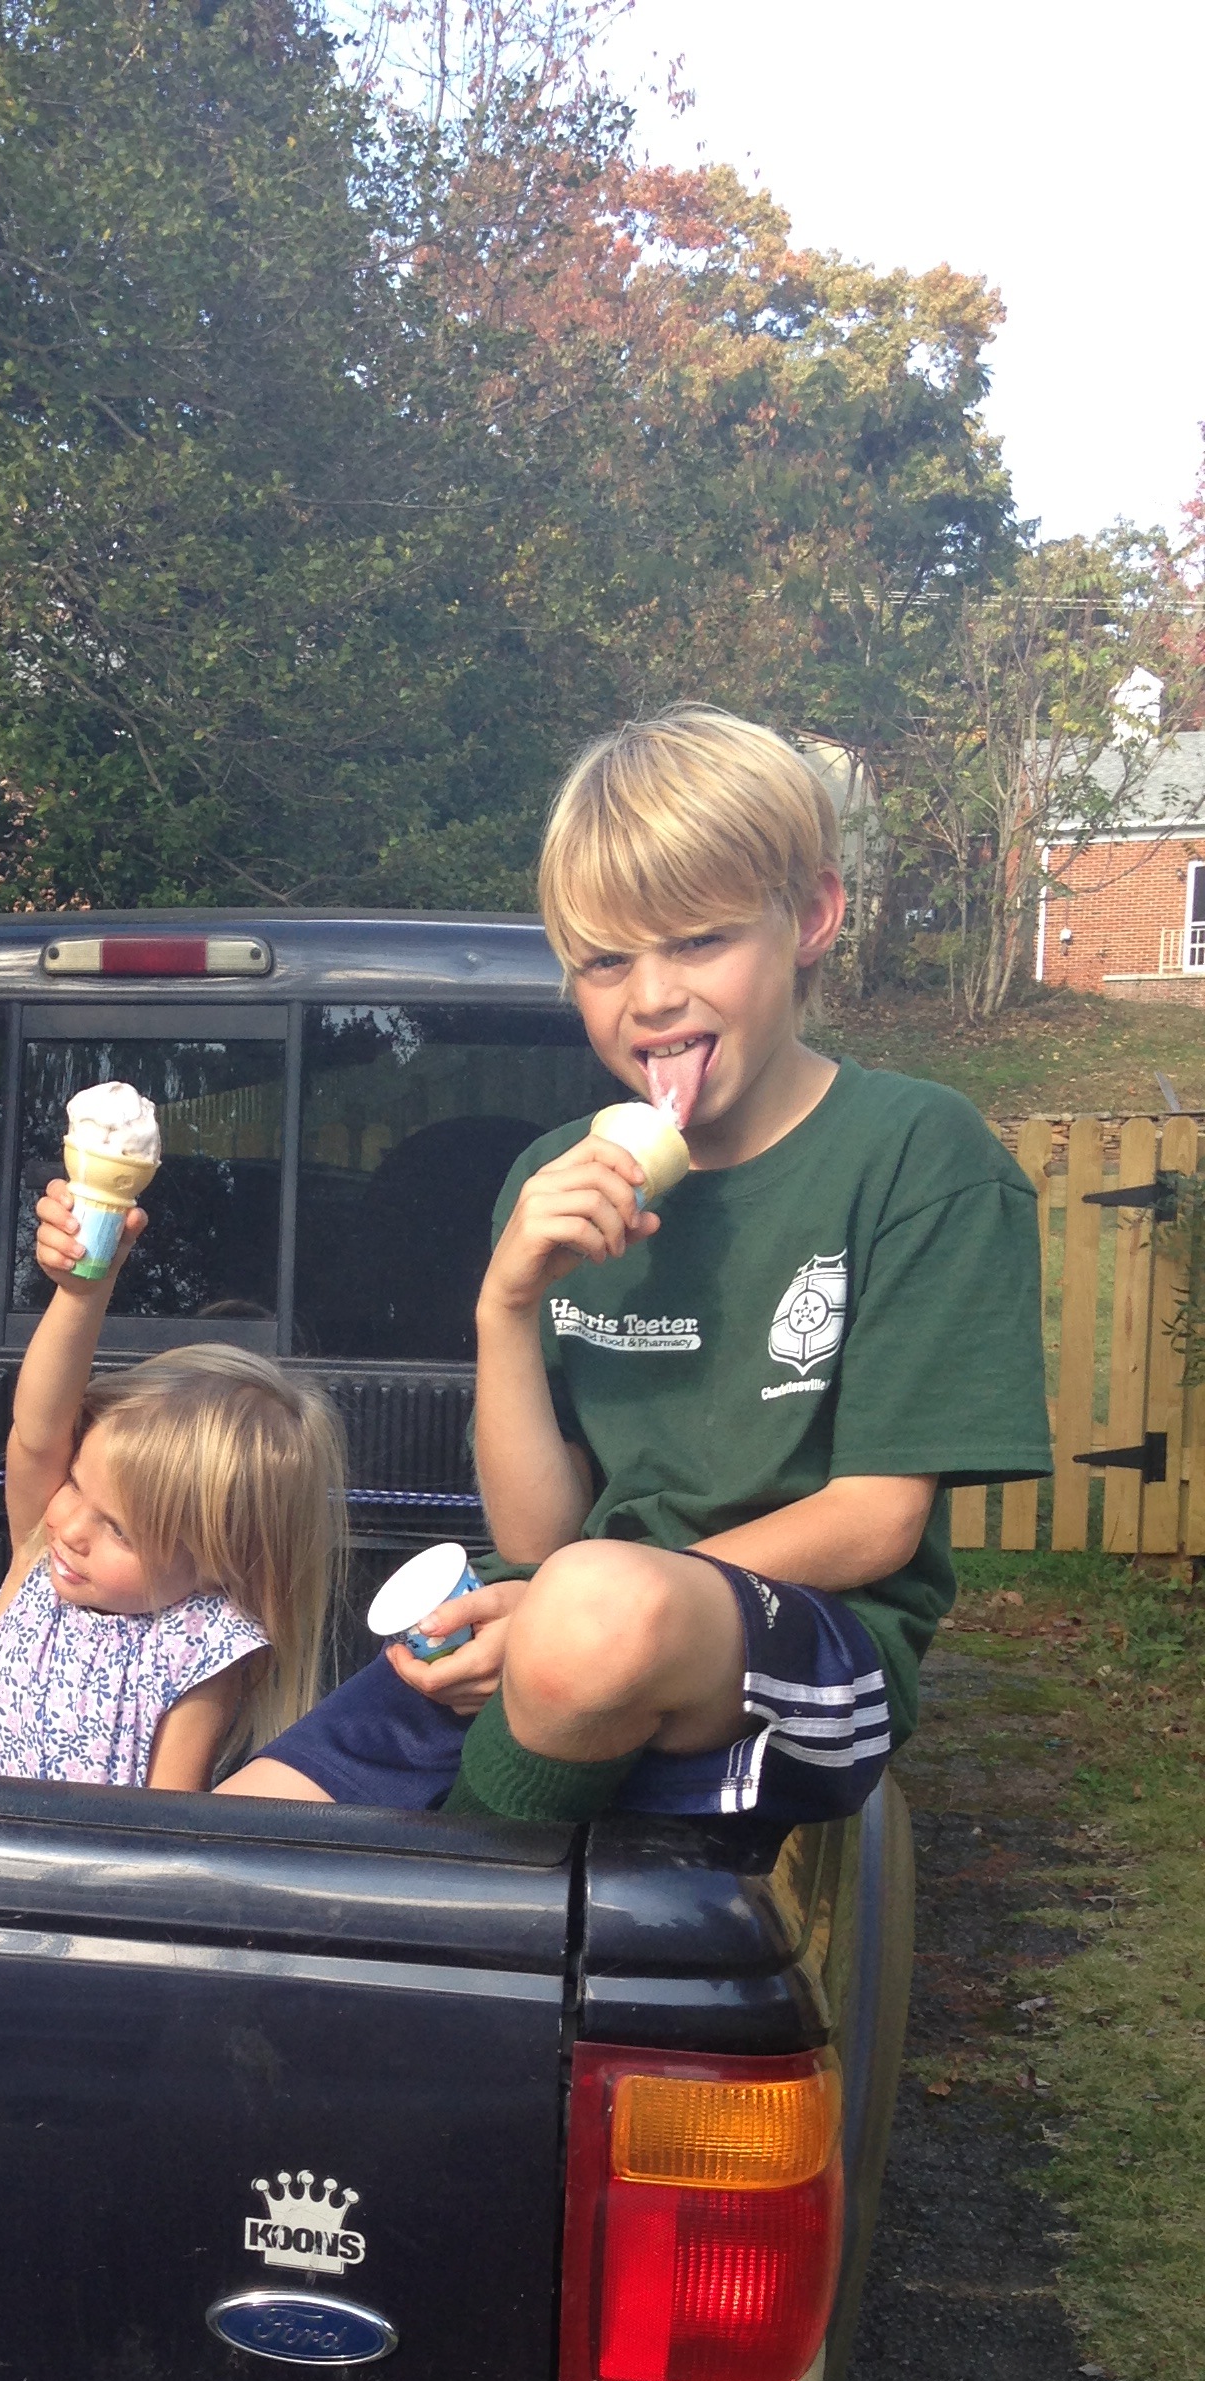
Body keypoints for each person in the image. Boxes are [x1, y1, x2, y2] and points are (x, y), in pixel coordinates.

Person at [225, 703, 1054, 1827]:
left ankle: (464, 1900)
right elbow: (534, 1539)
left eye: (700, 940)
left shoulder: (916, 1154)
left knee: (598, 1611)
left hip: (812, 1645)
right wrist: (507, 1303)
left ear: (810, 916)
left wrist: (567, 1610)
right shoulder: (551, 1179)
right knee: (246, 1824)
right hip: (571, 1613)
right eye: (606, 961)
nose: (652, 997)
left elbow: (875, 1522)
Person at [0, 1181, 345, 1789]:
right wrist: (82, 1288)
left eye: (121, 1530)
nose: (70, 1528)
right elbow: (38, 1433)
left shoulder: (201, 1653)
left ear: (216, 1562)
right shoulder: (38, 1560)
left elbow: (161, 1828)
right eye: (75, 1484)